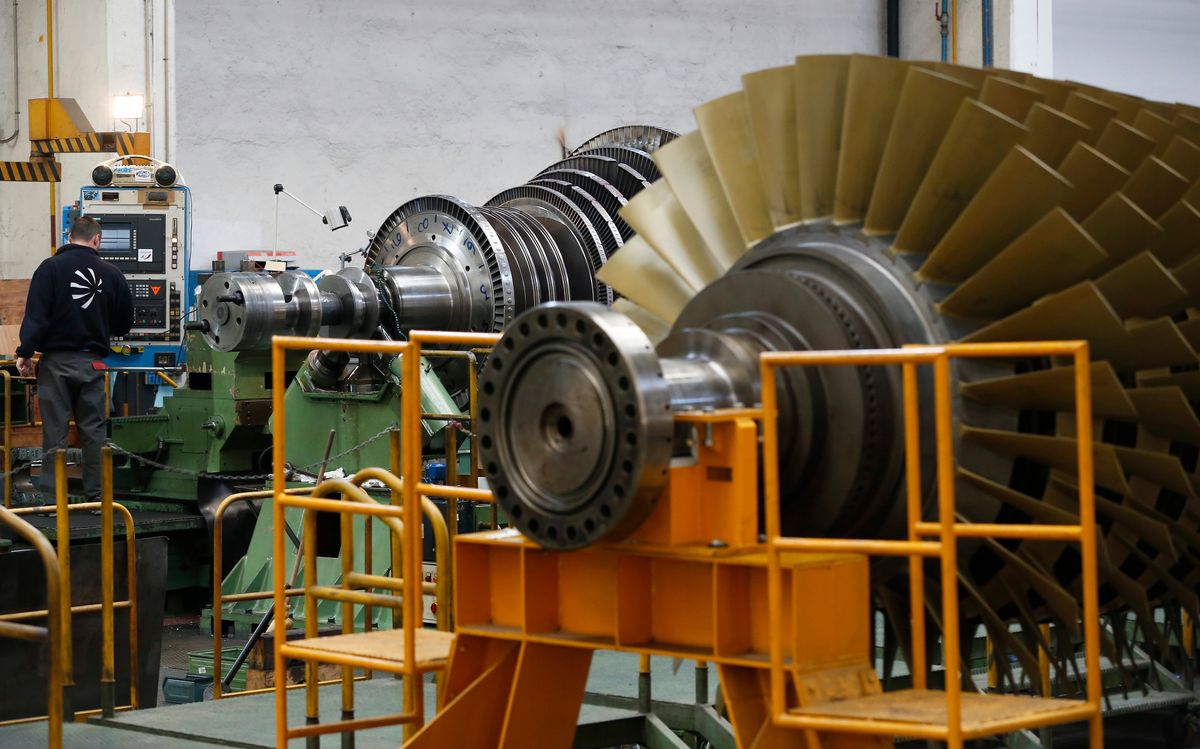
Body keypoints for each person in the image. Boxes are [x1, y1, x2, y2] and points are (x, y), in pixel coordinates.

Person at [14, 216, 134, 501]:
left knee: (54, 434)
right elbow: (124, 323)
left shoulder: (50, 268)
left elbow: (37, 316)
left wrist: (25, 353)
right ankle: (96, 498)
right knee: (93, 433)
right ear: (97, 240)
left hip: (55, 364)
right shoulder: (112, 273)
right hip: (93, 364)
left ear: (69, 236)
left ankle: (54, 501)